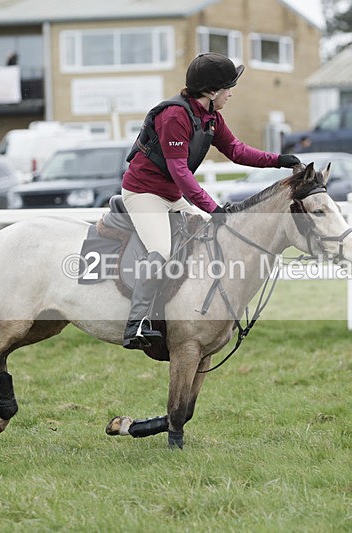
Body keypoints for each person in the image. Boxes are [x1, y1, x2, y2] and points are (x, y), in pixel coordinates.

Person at [120, 52, 301, 350]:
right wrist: (213, 208)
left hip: (170, 195)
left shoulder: (210, 117)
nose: (231, 93)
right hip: (144, 193)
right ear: (212, 91)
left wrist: (278, 160)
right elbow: (180, 171)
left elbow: (237, 150)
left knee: (201, 244)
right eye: (228, 87)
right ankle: (135, 323)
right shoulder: (174, 116)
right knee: (161, 250)